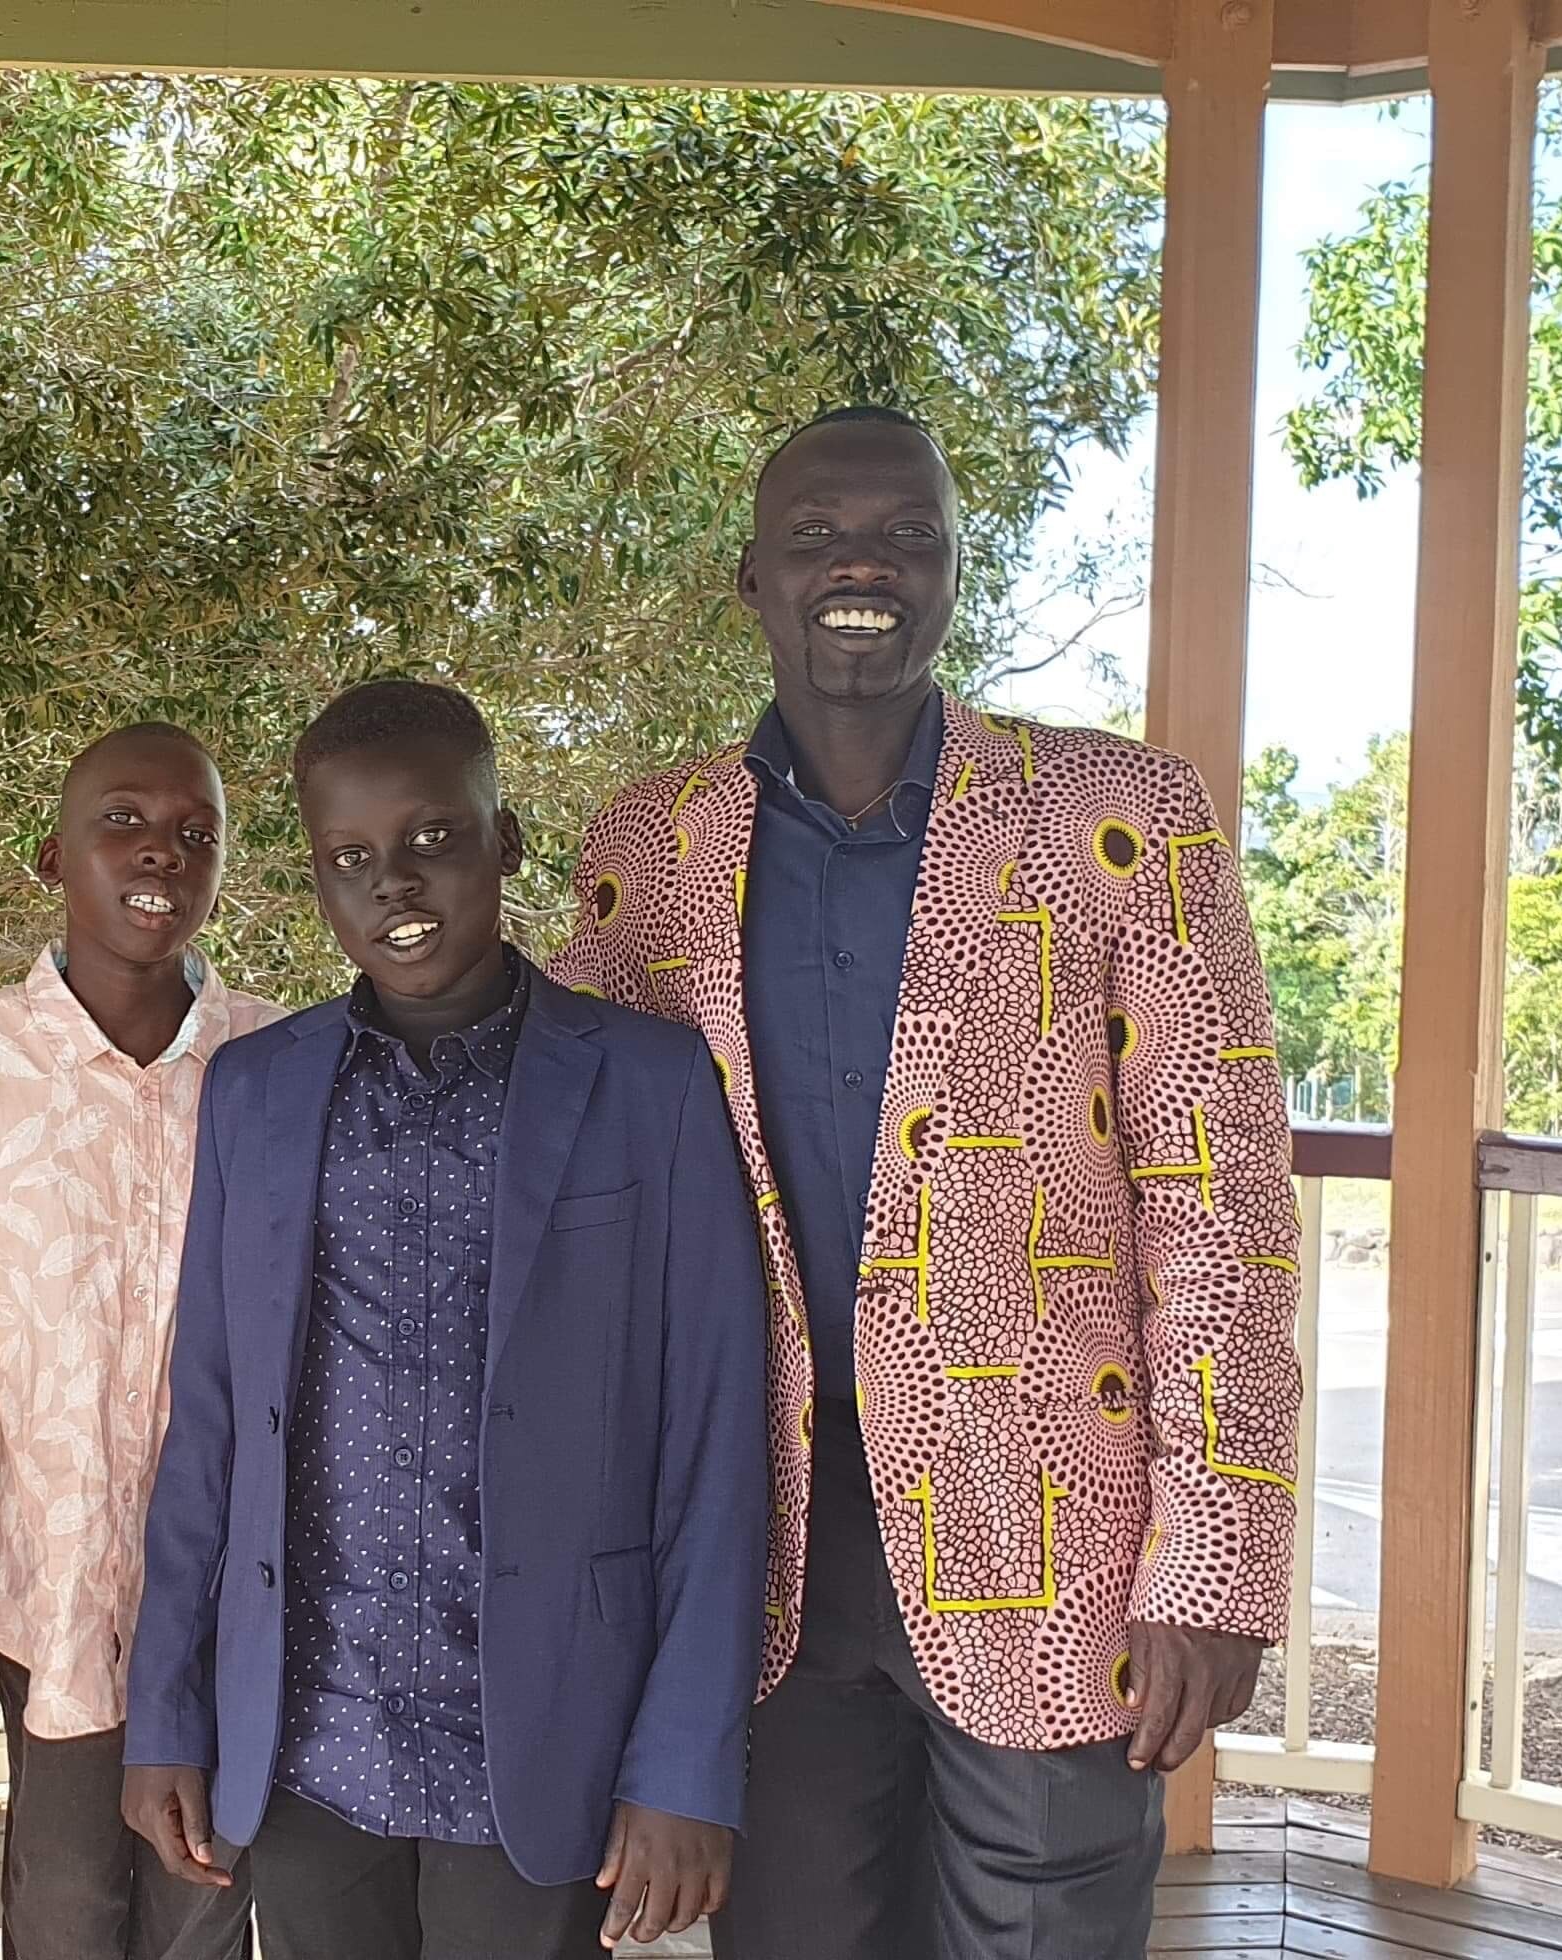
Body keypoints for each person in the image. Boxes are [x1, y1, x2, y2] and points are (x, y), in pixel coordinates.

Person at [548, 407, 1303, 1960]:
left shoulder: (1123, 821)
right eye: (819, 534)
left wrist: (1216, 1562)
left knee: (1044, 1933)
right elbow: (580, 1192)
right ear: (748, 573)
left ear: (958, 570)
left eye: (905, 533)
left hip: (1057, 1539)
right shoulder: (650, 842)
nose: (861, 564)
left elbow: (1222, 1213)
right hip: (757, 1548)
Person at [124, 679, 768, 1959]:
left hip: (541, 1732)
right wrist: (168, 1714)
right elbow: (206, 1425)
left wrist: (686, 1760)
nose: (395, 885)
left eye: (433, 839)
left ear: (505, 839)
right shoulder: (255, 1093)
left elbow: (715, 1444)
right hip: (313, 1730)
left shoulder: (649, 1085)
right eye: (349, 858)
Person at [0, 723, 278, 1960]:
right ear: (51, 853)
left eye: (195, 832)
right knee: (62, 1905)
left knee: (202, 1901)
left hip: (230, 1583)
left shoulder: (274, 1061)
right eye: (123, 820)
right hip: (46, 1576)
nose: (160, 851)